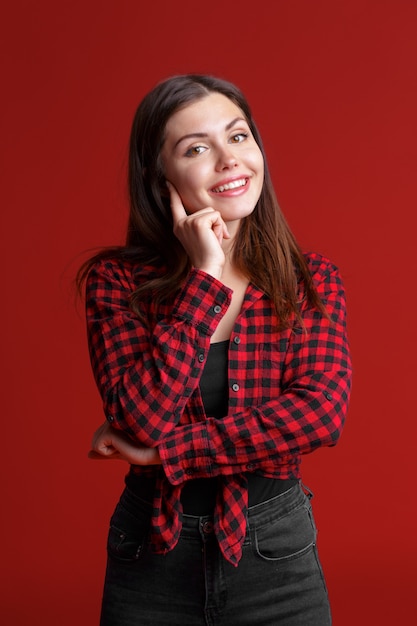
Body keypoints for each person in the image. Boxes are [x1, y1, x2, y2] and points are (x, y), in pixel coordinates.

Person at [78, 74, 352, 626]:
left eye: (239, 136)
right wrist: (206, 277)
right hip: (151, 558)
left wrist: (167, 456)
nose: (229, 160)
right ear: (161, 178)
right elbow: (141, 418)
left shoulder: (307, 280)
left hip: (279, 558)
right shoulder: (115, 282)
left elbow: (319, 415)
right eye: (197, 148)